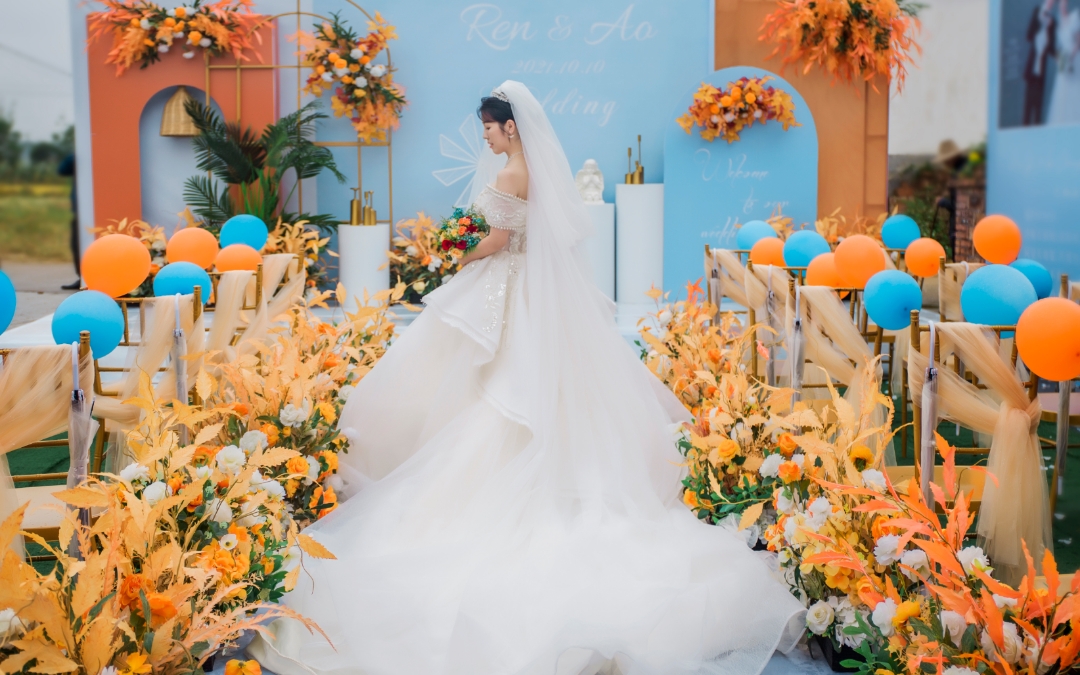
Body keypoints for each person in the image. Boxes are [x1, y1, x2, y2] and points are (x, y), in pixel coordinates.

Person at [248, 81, 804, 675]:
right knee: (509, 381)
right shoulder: (531, 170)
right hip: (519, 291)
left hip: (502, 288)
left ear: (510, 127)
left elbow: (499, 238)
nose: (485, 137)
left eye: (489, 128)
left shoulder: (512, 172)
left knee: (490, 385)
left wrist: (456, 251)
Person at [1024, 0, 1058, 126]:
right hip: (1031, 68)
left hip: (1041, 71)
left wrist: (1060, 58)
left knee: (1038, 109)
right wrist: (1041, 21)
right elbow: (1028, 36)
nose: (1051, 2)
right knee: (1028, 108)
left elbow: (1051, 49)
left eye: (1053, 1)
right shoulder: (1037, 12)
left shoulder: (1053, 22)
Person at [1048, 0, 1080, 124]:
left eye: (1065, 3)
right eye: (1061, 3)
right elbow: (1057, 46)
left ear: (1067, 4)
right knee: (1062, 90)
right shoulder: (1058, 24)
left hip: (1074, 57)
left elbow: (1078, 42)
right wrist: (1059, 58)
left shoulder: (1074, 17)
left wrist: (1071, 56)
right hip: (1063, 58)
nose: (1063, 5)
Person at [58, 154, 80, 290]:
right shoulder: (78, 157)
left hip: (96, 208)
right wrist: (77, 154)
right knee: (76, 244)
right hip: (80, 212)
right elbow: (61, 170)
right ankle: (82, 277)